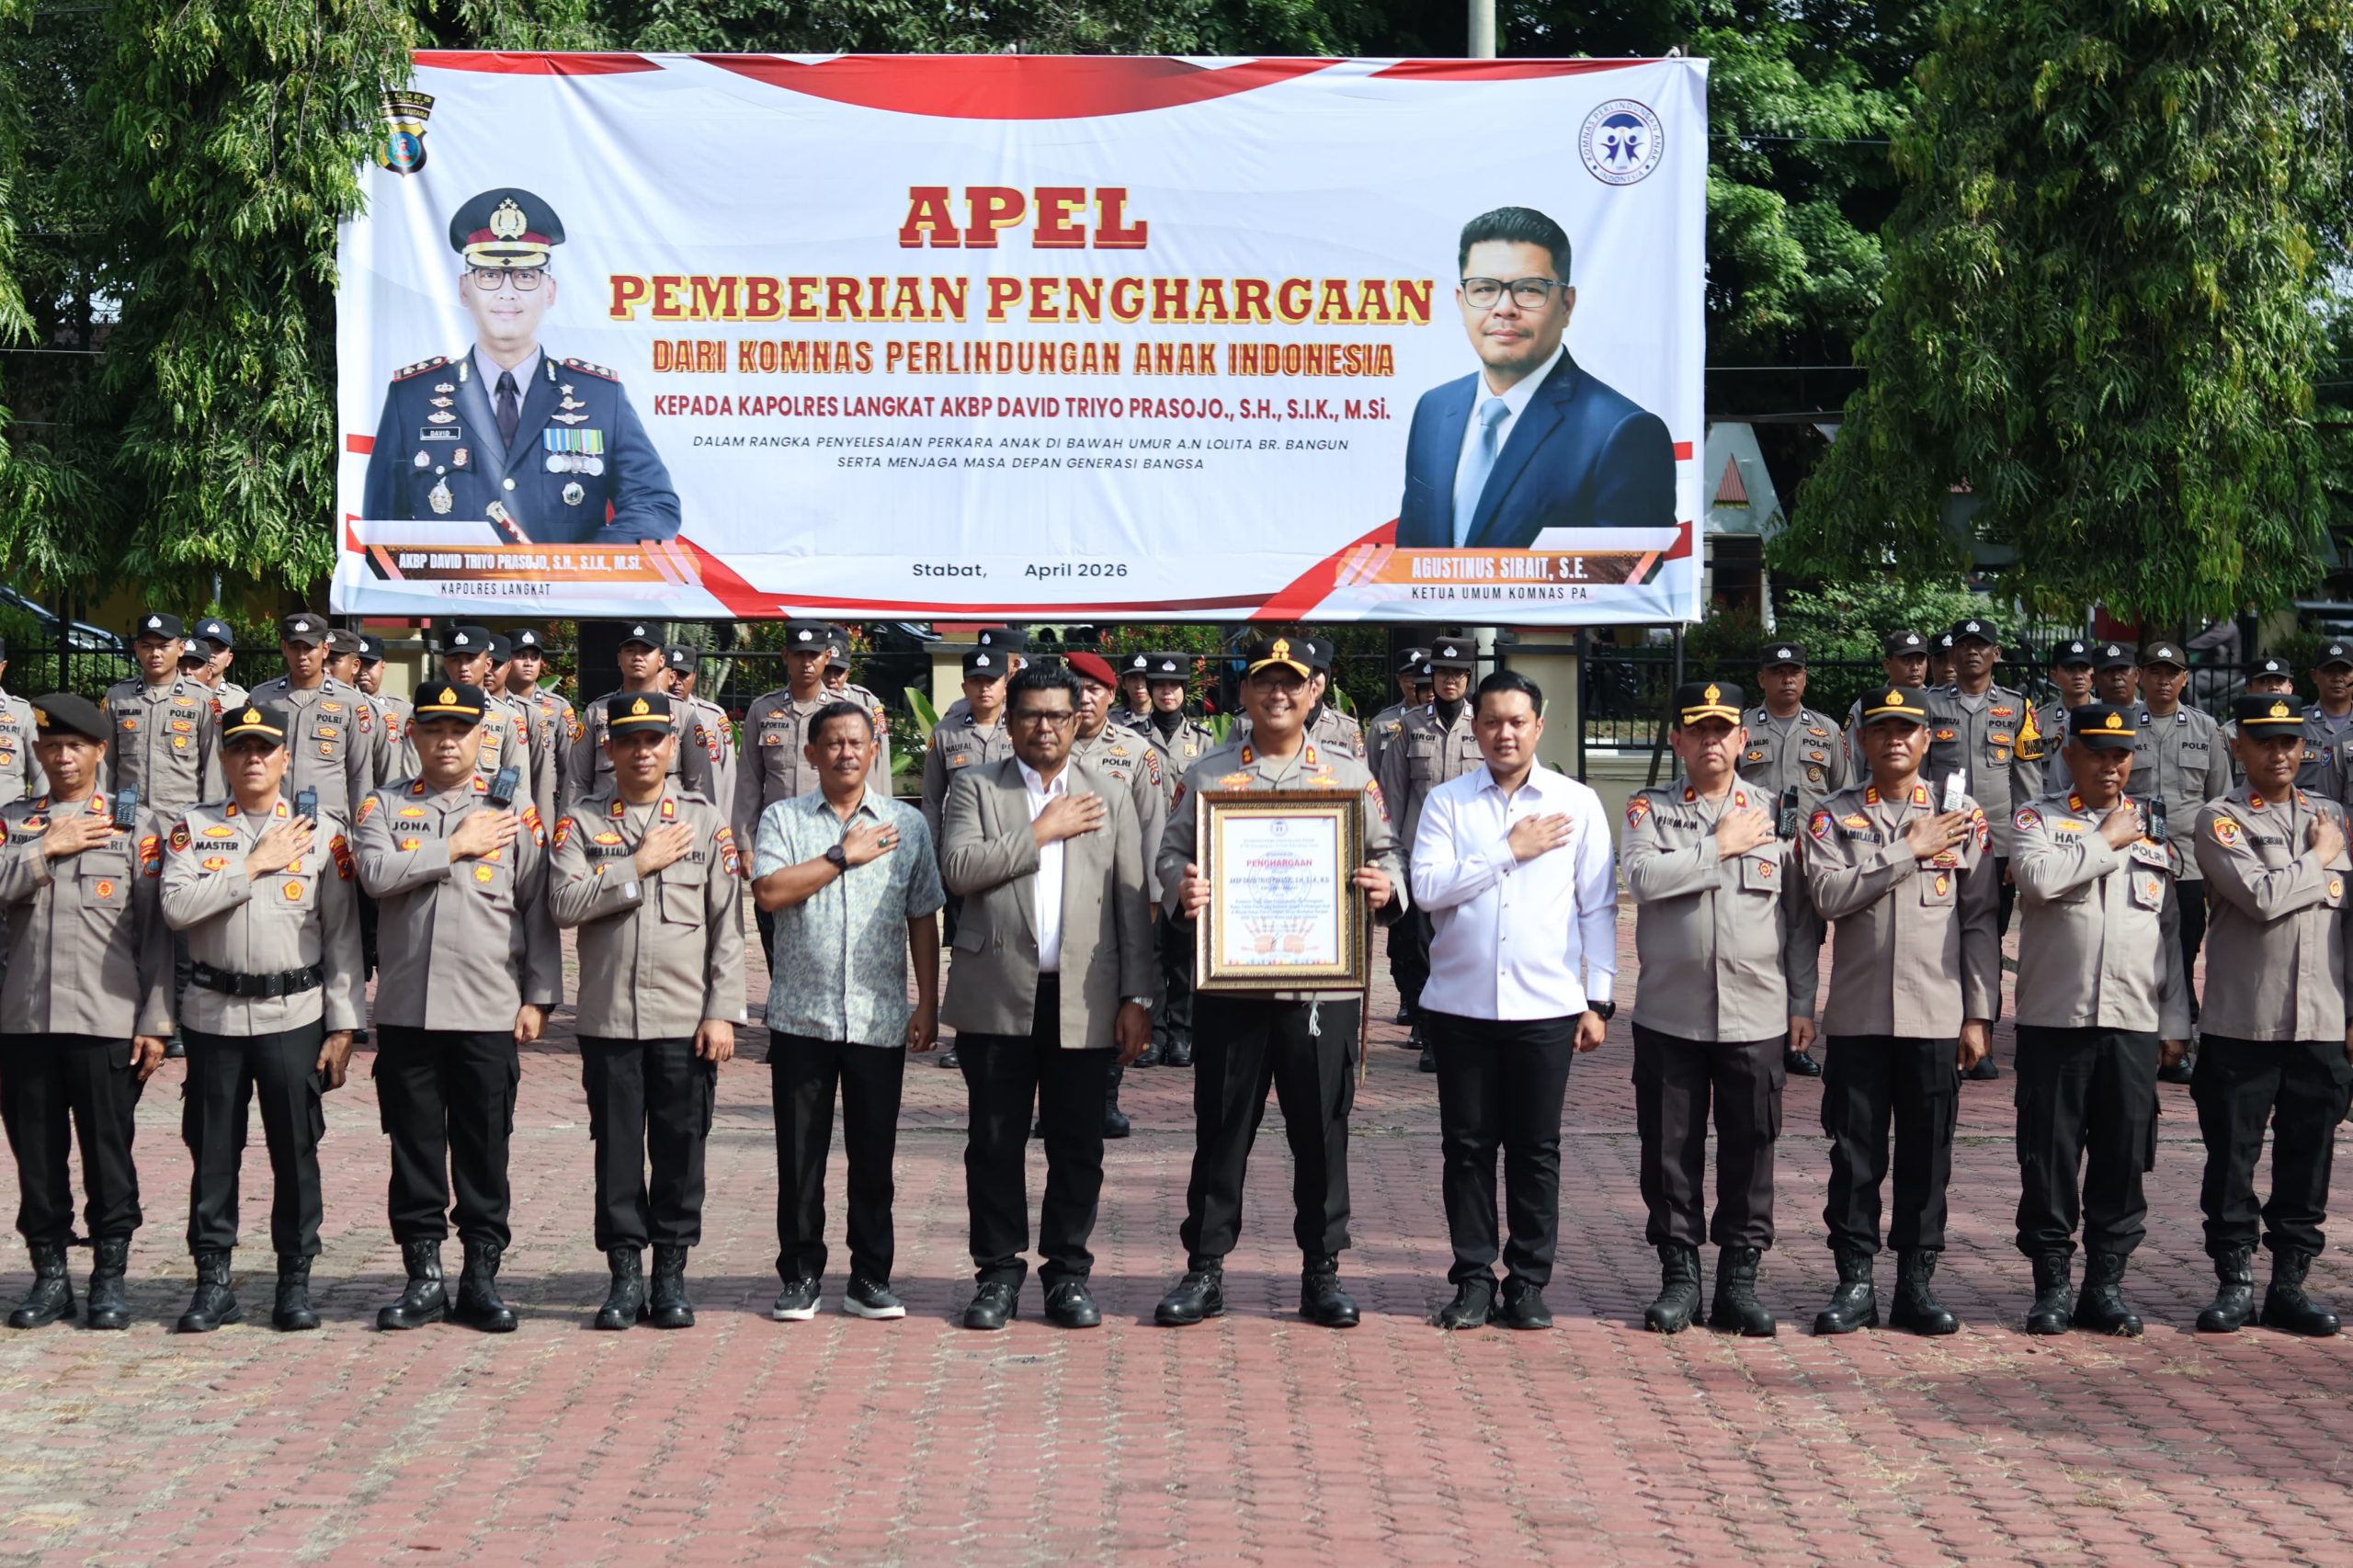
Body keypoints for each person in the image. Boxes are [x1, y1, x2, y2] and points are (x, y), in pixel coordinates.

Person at [1153, 637, 1407, 1330]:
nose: (1277, 695)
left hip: (1319, 990)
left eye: (1290, 684)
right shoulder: (1208, 777)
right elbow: (1171, 852)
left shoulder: (1350, 777)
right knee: (1222, 1130)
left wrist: (1388, 887)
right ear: (1245, 692)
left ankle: (1321, 1272)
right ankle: (1204, 1269)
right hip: (1232, 989)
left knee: (1321, 1132)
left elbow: (1387, 854)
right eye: (1264, 682)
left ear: (1314, 690)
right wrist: (1185, 884)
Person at [938, 665, 1154, 1331]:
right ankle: (998, 1274)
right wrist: (1040, 831)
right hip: (997, 992)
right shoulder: (977, 786)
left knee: (1077, 1144)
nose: (1044, 728)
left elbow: (1132, 902)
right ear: (1010, 722)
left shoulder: (1109, 793)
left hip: (1084, 997)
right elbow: (959, 870)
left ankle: (1066, 1275)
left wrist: (1138, 996)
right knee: (995, 1141)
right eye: (1030, 715)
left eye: (1057, 716)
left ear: (1078, 719)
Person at [1413, 670, 1615, 1331]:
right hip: (1460, 1005)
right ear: (1474, 727)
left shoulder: (1576, 802)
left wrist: (1599, 999)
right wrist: (1508, 850)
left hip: (1547, 1007)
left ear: (1539, 724)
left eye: (1517, 721)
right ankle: (1473, 1277)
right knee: (1467, 1148)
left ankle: (1527, 1280)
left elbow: (1598, 906)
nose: (1505, 733)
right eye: (1493, 721)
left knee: (1535, 1150)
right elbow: (1428, 890)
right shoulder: (1448, 803)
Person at [355, 681, 559, 1334]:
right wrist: (455, 847)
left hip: (488, 1010)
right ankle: (422, 1277)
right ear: (413, 735)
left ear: (482, 737)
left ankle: (480, 1277)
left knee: (483, 1147)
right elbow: (375, 875)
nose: (447, 741)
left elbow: (538, 906)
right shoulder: (383, 805)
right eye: (435, 729)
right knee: (413, 1148)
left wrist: (539, 995)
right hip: (409, 1011)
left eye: (461, 730)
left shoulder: (512, 811)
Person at [160, 701, 366, 1333]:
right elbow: (175, 907)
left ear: (284, 759)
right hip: (214, 1015)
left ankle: (294, 1281)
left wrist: (343, 1023)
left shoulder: (321, 833)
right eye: (240, 748)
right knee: (213, 1152)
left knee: (295, 1153)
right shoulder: (192, 829)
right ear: (223, 758)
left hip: (293, 1014)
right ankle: (213, 1281)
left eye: (264, 749)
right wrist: (251, 864)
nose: (253, 759)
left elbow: (342, 936)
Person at [1620, 681, 1814, 1338]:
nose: (1710, 740)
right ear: (1676, 739)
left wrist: (1802, 1002)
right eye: (1696, 729)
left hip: (1757, 1013)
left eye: (1721, 729)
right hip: (1670, 1014)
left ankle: (1738, 1280)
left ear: (1742, 740)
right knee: (1669, 1149)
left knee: (1751, 1147)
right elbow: (1641, 879)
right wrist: (1720, 846)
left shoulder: (1776, 813)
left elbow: (1799, 920)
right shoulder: (1650, 809)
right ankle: (1680, 1278)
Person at [1803, 685, 1996, 1336]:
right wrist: (1905, 850)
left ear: (1926, 740)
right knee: (1855, 1158)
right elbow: (1828, 894)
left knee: (1927, 1156)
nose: (1894, 740)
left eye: (1907, 729)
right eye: (1881, 729)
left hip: (1936, 1016)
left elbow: (1978, 921)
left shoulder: (1961, 814)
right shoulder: (1833, 817)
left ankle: (1916, 1283)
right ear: (1860, 739)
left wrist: (1979, 1014)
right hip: (1858, 1017)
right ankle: (1854, 1282)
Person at [549, 692, 745, 1330]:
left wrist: (723, 1012)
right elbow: (563, 903)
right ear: (608, 748)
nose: (642, 750)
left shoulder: (703, 819)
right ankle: (625, 1275)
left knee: (682, 1148)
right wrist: (636, 865)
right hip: (610, 1020)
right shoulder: (579, 822)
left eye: (654, 739)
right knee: (617, 1151)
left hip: (686, 1020)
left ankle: (670, 1275)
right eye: (628, 740)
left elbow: (727, 926)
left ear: (671, 746)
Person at [752, 699, 943, 1324]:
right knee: (800, 1156)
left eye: (856, 742)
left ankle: (870, 1278)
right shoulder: (783, 818)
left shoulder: (905, 825)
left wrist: (928, 1002)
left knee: (873, 1156)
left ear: (873, 751)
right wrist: (842, 856)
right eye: (831, 743)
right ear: (810, 754)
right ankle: (800, 1274)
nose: (845, 753)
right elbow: (771, 892)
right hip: (801, 1016)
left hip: (877, 1015)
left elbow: (923, 915)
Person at [2008, 704, 2191, 1335]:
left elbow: (2169, 933)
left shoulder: (2153, 833)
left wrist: (2174, 1020)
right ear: (2069, 755)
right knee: (2049, 1158)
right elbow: (2035, 880)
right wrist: (2104, 840)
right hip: (2055, 1020)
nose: (2111, 765)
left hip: (2132, 1024)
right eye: (2097, 753)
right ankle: (2052, 1284)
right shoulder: (2038, 818)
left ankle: (2105, 1285)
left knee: (2123, 1159)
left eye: (2121, 754)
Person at [359, 186, 680, 542]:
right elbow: (382, 526)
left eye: (526, 276)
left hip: (567, 598)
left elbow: (654, 504)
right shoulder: (413, 398)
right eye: (490, 275)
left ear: (550, 292)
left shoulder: (601, 398)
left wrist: (582, 566)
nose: (507, 292)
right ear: (464, 289)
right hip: (453, 597)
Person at [0, 694, 171, 1330]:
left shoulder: (136, 826)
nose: (62, 756)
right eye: (51, 745)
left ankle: (108, 1277)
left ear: (101, 751)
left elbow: (156, 933)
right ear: (36, 751)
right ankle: (50, 1278)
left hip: (106, 1020)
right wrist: (46, 849)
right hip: (24, 1019)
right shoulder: (14, 821)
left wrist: (155, 1020)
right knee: (36, 1156)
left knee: (108, 1152)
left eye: (76, 745)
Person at [2188, 695, 2353, 1336]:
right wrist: (2320, 858)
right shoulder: (2220, 819)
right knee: (2232, 1156)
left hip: (2321, 1020)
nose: (2279, 752)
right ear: (2239, 747)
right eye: (2264, 740)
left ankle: (2290, 1284)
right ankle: (2234, 1282)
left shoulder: (2331, 813)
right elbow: (2259, 898)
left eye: (2289, 741)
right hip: (2244, 1022)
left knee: (2309, 1156)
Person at [1395, 205, 1674, 547]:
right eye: (1484, 288)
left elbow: (1632, 588)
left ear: (1566, 305)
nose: (1504, 307)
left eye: (1529, 289)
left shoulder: (1623, 432)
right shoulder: (1434, 409)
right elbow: (1410, 557)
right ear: (1461, 301)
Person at [739, 619, 882, 1013]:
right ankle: (784, 1004)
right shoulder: (763, 709)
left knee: (828, 927)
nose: (806, 663)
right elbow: (749, 780)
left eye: (814, 655)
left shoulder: (845, 712)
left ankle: (827, 1005)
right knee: (772, 925)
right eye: (798, 654)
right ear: (785, 656)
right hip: (779, 840)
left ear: (826, 658)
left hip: (832, 837)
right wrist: (745, 842)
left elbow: (865, 779)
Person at [1067, 651, 1166, 1132]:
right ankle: (1053, 1102)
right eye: (1076, 688)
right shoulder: (1039, 743)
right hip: (1054, 892)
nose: (1084, 698)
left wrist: (1149, 900)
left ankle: (1104, 1096)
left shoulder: (1136, 752)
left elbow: (1153, 829)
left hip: (1114, 895)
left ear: (1112, 696)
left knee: (1113, 995)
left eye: (1094, 690)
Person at [1735, 642, 1846, 1080]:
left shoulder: (1826, 731)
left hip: (1805, 857)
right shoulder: (1740, 729)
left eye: (1794, 671)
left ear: (1805, 677)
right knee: (1754, 943)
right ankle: (1756, 1031)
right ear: (1762, 678)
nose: (1787, 679)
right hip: (1753, 852)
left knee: (1802, 943)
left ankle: (1794, 1037)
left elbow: (1841, 796)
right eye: (1777, 671)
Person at [1927, 617, 2029, 1080]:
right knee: (1944, 934)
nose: (1971, 653)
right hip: (1945, 837)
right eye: (1963, 646)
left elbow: (2028, 782)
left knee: (1988, 937)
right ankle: (1946, 1030)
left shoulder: (2017, 708)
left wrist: (2022, 847)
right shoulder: (1928, 705)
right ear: (1950, 655)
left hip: (1999, 844)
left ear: (1996, 653)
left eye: (1981, 646)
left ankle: (1982, 1036)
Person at [2129, 641, 2233, 1086]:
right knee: (2134, 948)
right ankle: (2140, 1035)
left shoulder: (2206, 729)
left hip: (2189, 862)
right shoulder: (2124, 725)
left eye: (2172, 672)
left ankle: (2177, 1038)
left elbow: (2220, 801)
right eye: (2155, 671)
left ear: (2185, 679)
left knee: (2185, 951)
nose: (2163, 679)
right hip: (2134, 857)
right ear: (2140, 676)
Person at [1378, 639, 1482, 1070]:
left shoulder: (1485, 726)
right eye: (1442, 673)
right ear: (1432, 679)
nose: (1450, 680)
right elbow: (1391, 798)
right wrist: (1390, 859)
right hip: (1422, 859)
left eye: (1458, 674)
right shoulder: (1408, 730)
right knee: (1422, 947)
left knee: (1467, 945)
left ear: (1468, 678)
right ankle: (1429, 1028)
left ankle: (1461, 1031)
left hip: (1472, 860)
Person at [920, 648, 1016, 1071]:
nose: (984, 687)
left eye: (991, 680)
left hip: (1013, 857)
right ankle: (964, 1034)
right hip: (962, 862)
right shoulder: (945, 734)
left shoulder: (1022, 729)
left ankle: (1009, 1028)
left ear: (1004, 683)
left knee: (1013, 945)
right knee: (964, 948)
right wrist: (932, 859)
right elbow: (930, 801)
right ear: (965, 687)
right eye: (976, 681)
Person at [1133, 650, 1213, 1067]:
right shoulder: (1127, 735)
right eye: (1160, 685)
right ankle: (1152, 1031)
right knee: (1148, 952)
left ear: (1184, 690)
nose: (1167, 692)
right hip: (1141, 858)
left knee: (1184, 954)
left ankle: (1181, 1034)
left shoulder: (1203, 741)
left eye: (1174, 686)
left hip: (1186, 860)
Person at [245, 612, 377, 825]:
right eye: (295, 647)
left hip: (328, 826)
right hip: (271, 822)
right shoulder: (262, 698)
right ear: (284, 648)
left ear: (325, 650)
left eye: (309, 648)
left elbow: (359, 776)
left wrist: (361, 834)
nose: (302, 656)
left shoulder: (351, 702)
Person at [569, 621, 715, 805]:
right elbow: (577, 781)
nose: (638, 657)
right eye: (630, 650)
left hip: (668, 824)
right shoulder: (596, 712)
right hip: (605, 824)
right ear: (619, 659)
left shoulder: (684, 714)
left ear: (661, 660)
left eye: (646, 651)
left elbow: (699, 784)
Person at [107, 610, 224, 812]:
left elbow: (214, 765)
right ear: (136, 649)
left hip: (180, 819)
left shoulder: (202, 699)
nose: (155, 654)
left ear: (180, 649)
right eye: (147, 646)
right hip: (128, 818)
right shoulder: (118, 697)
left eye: (163, 646)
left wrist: (210, 817)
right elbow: (105, 763)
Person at [662, 643, 738, 827]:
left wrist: (726, 828)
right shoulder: (650, 713)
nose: (677, 681)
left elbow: (728, 777)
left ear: (694, 675)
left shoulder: (713, 717)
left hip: (705, 818)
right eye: (673, 674)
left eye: (684, 675)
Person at [2014, 639, 2097, 799]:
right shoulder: (2037, 720)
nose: (2078, 676)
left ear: (2094, 674)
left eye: (2084, 668)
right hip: (2052, 808)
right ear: (2054, 675)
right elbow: (2031, 771)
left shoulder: (2106, 716)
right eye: (2070, 669)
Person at [1844, 628, 1930, 766]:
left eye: (1920, 661)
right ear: (1887, 665)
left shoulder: (1938, 704)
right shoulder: (1866, 706)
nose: (1915, 667)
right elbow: (1851, 764)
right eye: (1906, 660)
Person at [506, 627, 579, 764]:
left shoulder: (559, 707)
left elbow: (569, 762)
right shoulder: (493, 703)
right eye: (521, 656)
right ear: (506, 659)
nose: (528, 663)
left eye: (535, 657)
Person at [2222, 658, 2295, 783]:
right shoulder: (2231, 733)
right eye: (2264, 681)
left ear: (2290, 688)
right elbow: (2223, 787)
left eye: (2279, 681)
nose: (2273, 687)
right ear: (2248, 690)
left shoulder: (2302, 729)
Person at [1364, 647, 1430, 781]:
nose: (1415, 683)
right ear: (1399, 679)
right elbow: (1372, 775)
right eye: (1409, 676)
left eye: (1421, 676)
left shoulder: (1443, 722)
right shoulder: (1381, 724)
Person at [182, 618, 248, 711]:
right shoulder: (171, 692)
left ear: (229, 659)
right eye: (205, 647)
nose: (211, 654)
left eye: (219, 649)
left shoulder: (240, 701)